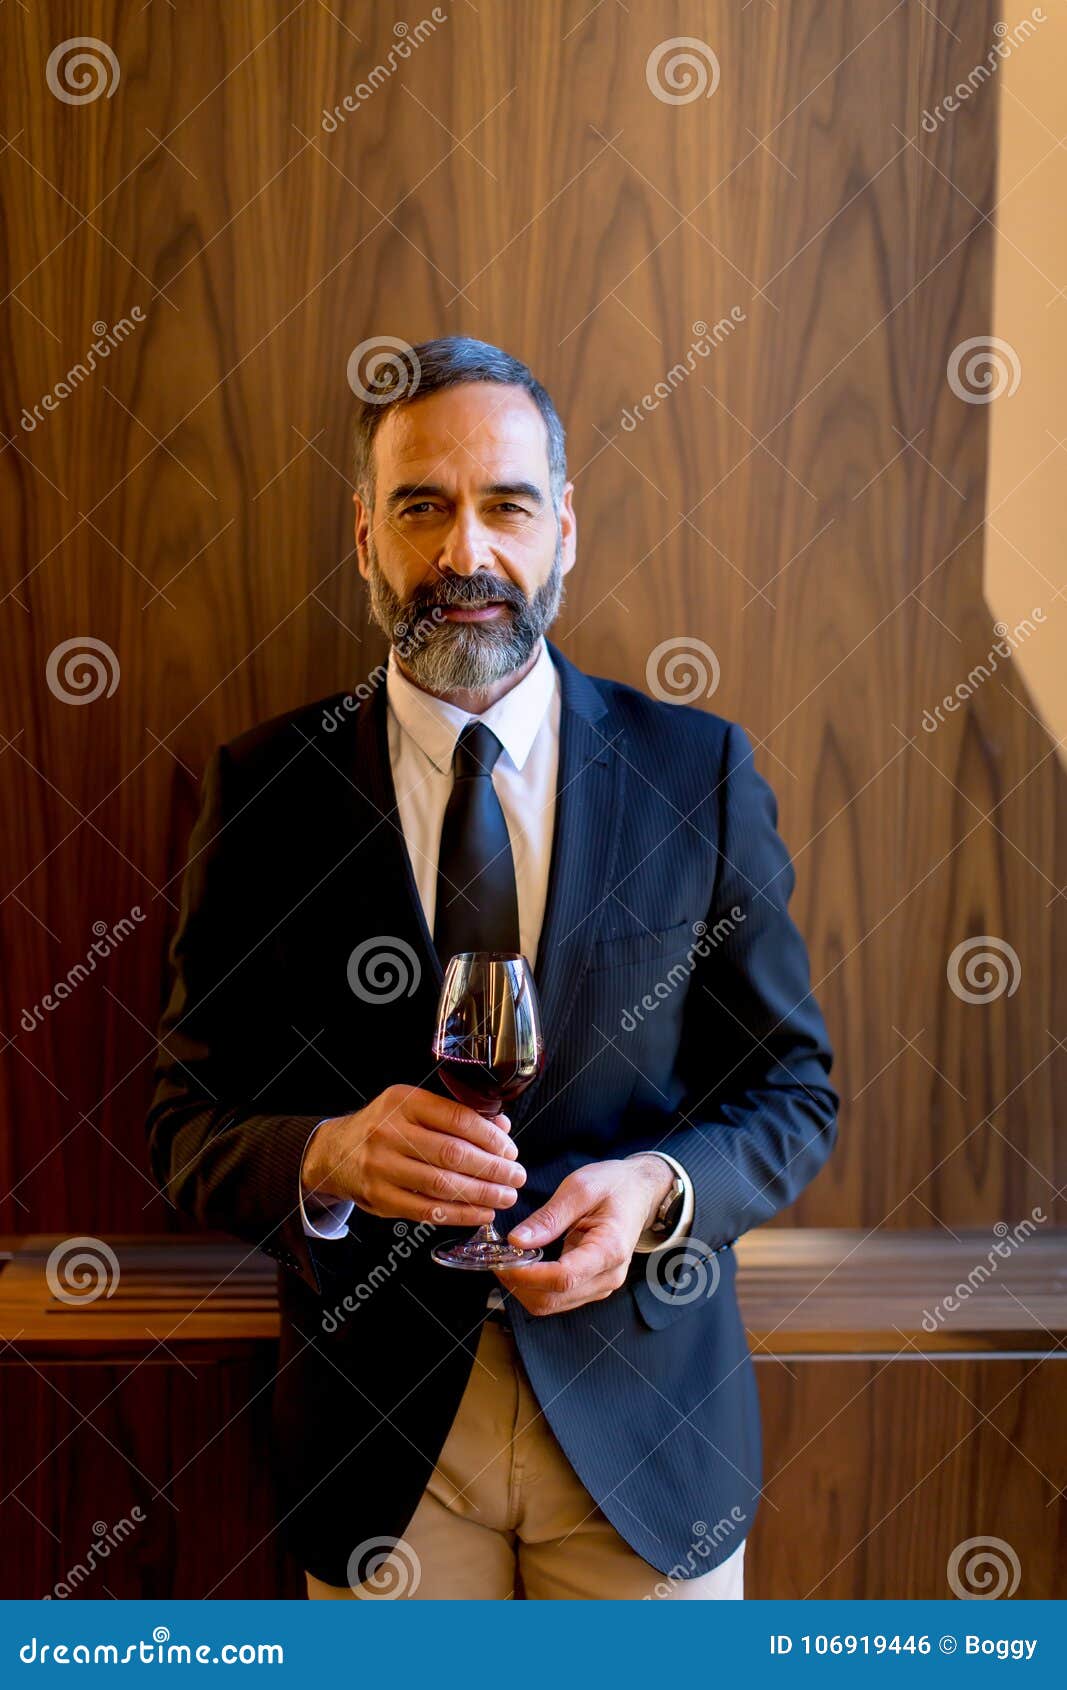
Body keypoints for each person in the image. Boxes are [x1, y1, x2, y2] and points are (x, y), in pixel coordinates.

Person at [146, 335, 838, 1600]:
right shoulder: (261, 792)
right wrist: (325, 1156)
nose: (466, 552)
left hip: (647, 1443)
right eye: (422, 507)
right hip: (383, 1452)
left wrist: (656, 1188)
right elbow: (184, 1118)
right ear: (367, 539)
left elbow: (793, 1091)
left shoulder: (701, 774)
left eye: (506, 505)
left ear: (562, 529)